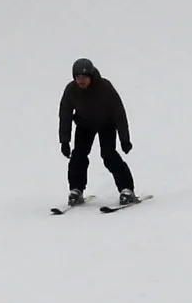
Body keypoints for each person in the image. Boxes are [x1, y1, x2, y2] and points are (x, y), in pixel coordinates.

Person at [57, 57, 138, 207]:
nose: (81, 81)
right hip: (84, 125)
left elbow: (119, 114)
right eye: (78, 78)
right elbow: (65, 115)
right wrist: (64, 141)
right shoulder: (71, 90)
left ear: (91, 76)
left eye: (84, 77)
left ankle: (127, 189)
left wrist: (124, 139)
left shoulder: (105, 88)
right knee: (78, 156)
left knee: (108, 155)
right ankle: (76, 190)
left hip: (106, 124)